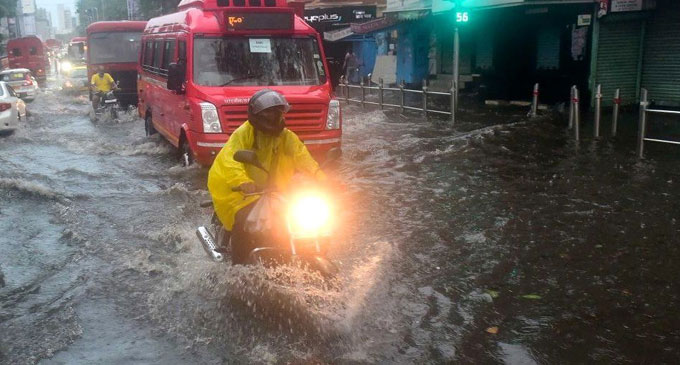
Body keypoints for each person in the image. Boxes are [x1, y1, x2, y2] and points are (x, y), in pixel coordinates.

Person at [207, 89, 326, 264]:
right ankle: (239, 268)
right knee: (243, 222)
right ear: (257, 114)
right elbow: (230, 161)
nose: (272, 116)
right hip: (239, 193)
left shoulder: (286, 137)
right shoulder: (243, 134)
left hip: (273, 192)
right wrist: (243, 182)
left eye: (276, 111)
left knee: (298, 219)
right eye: (268, 112)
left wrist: (321, 177)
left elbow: (303, 157)